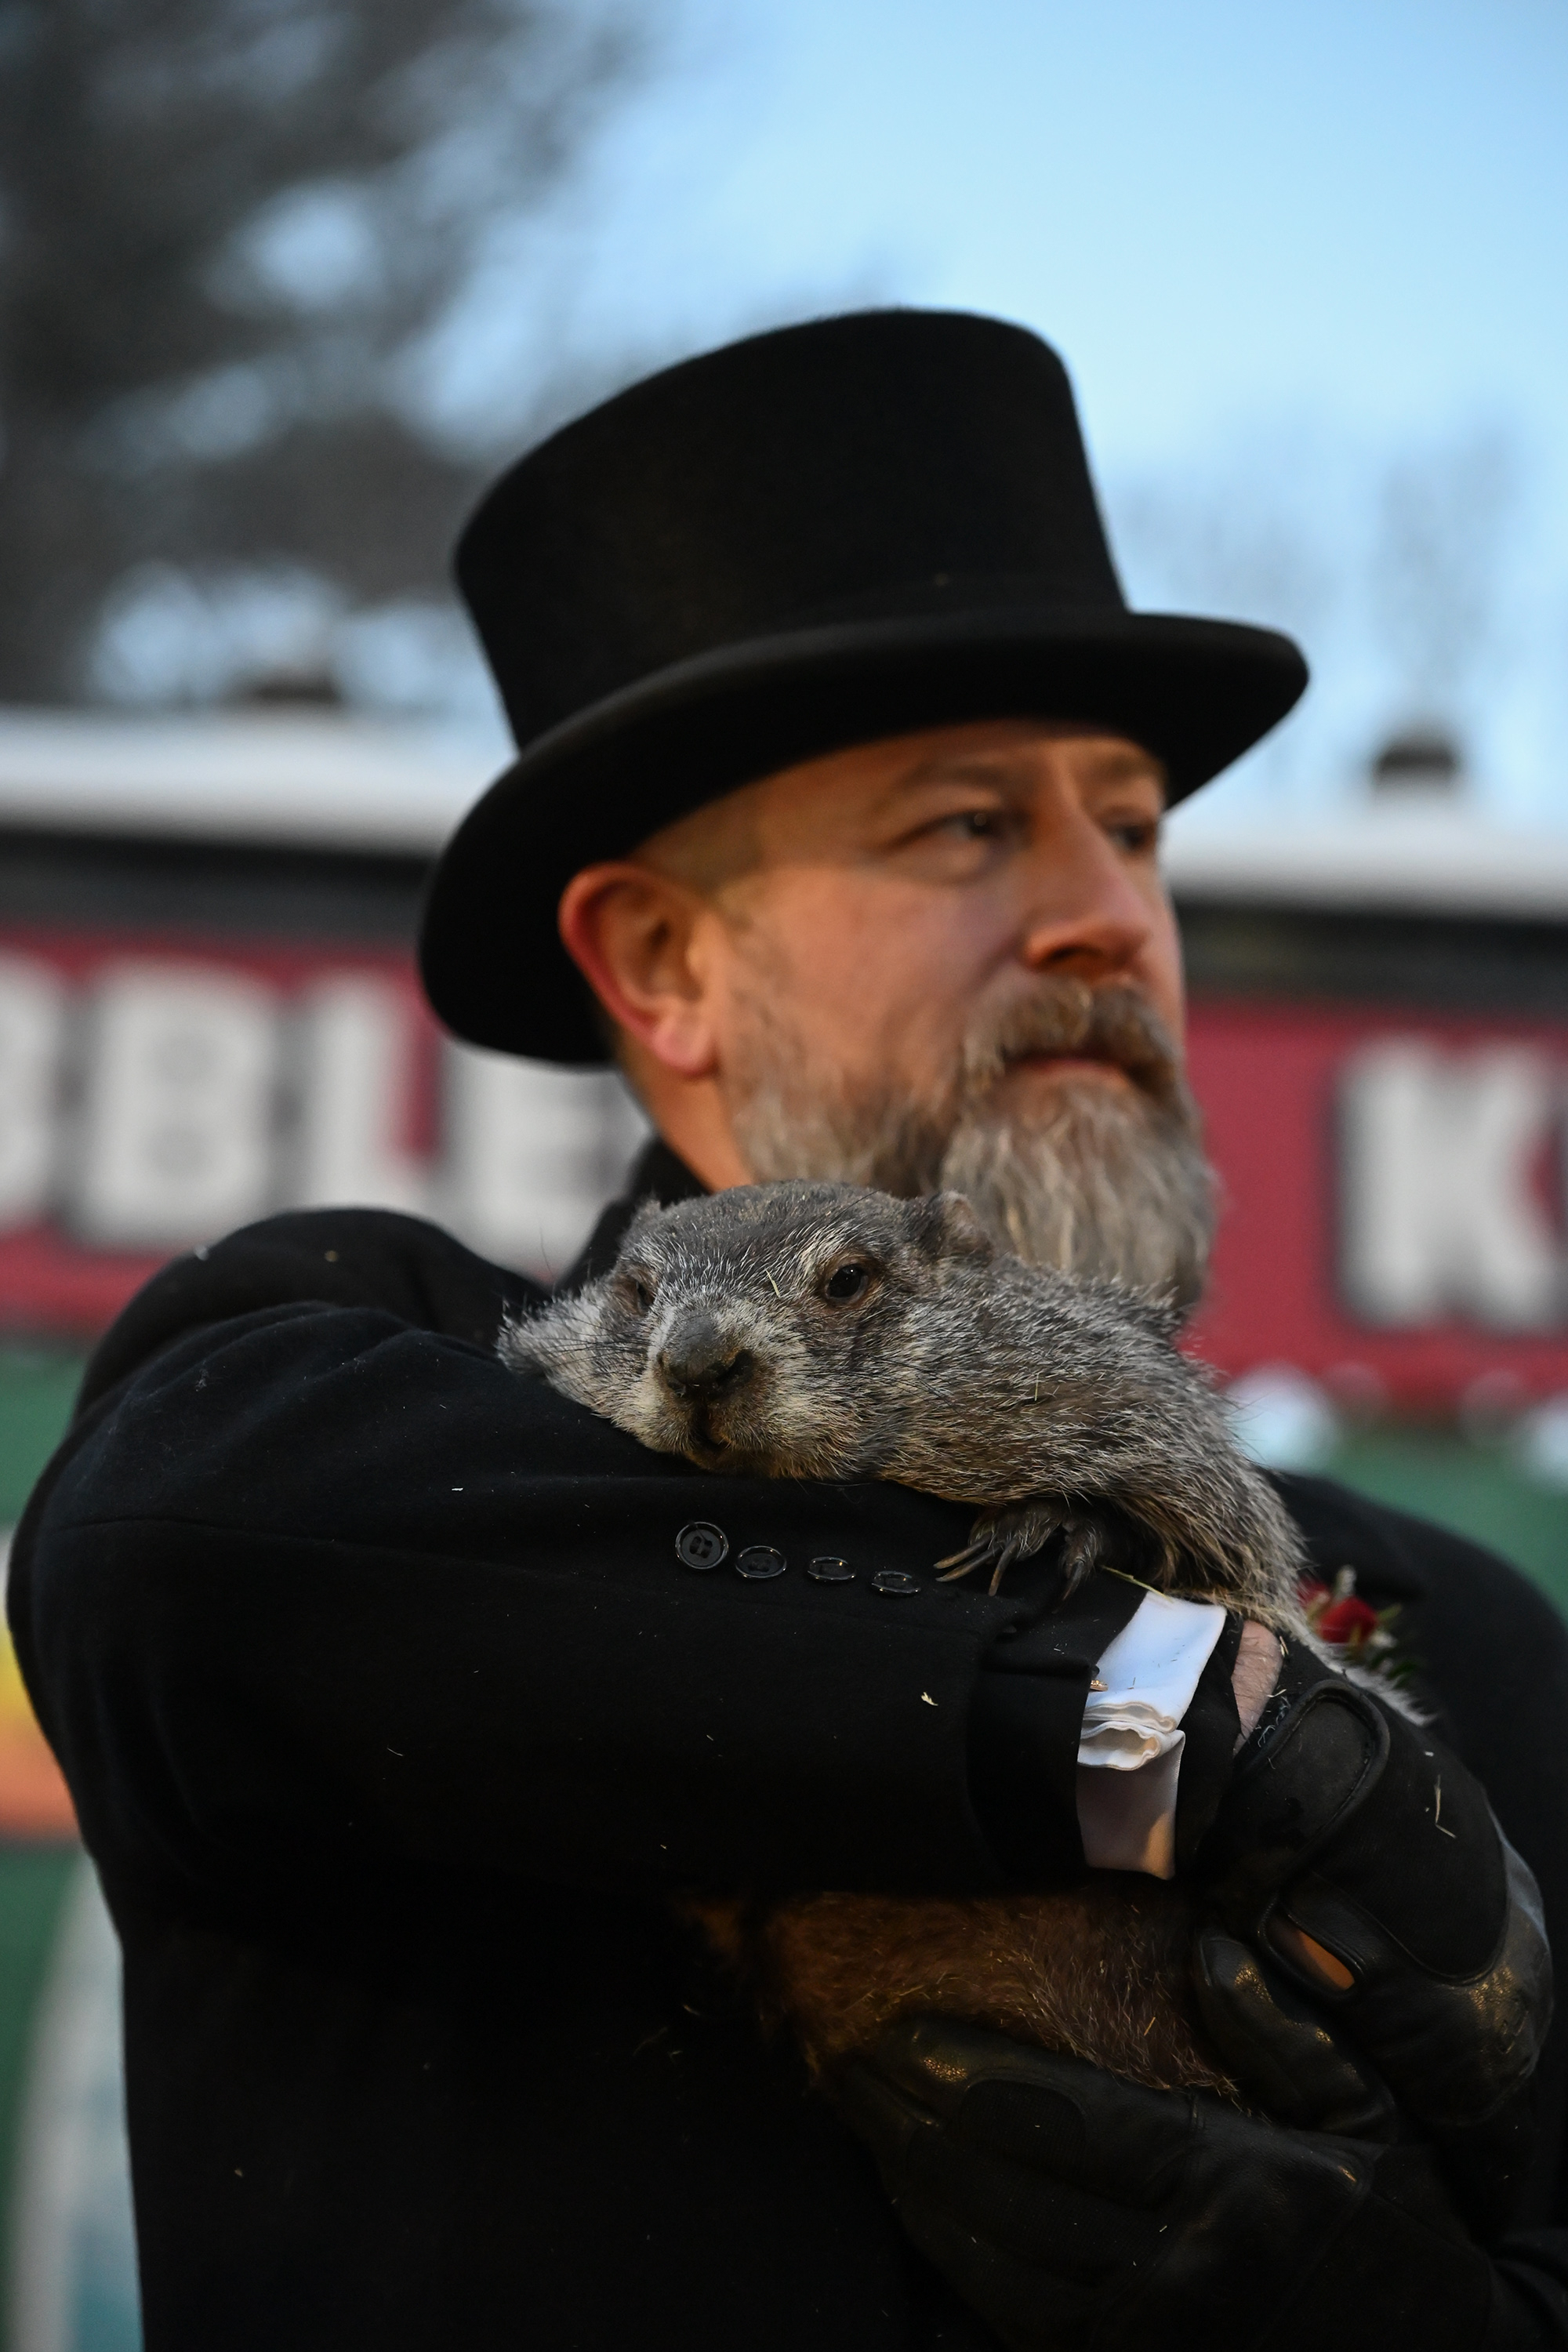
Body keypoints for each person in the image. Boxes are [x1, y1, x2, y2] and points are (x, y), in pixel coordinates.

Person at [11, 310, 1568, 2350]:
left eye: (1137, 826)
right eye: (966, 827)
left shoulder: (1448, 1613)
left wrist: (1421, 2321)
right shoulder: (361, 1372)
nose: (1110, 910)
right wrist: (1168, 1731)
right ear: (665, 965)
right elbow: (182, 1558)